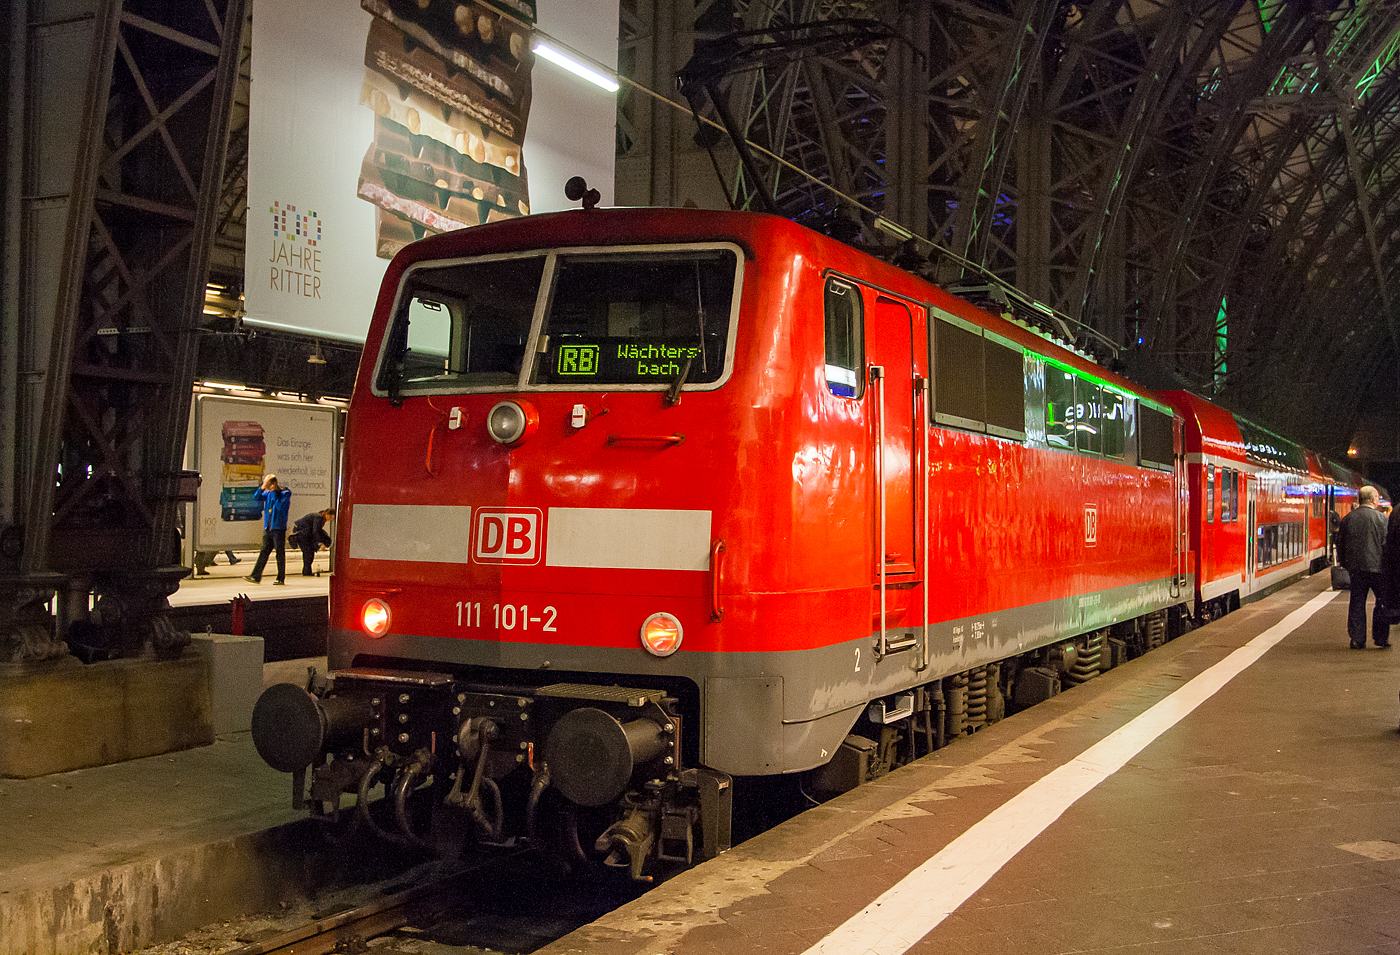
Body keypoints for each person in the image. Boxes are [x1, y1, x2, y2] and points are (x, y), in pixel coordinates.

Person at [1336, 485, 1390, 649]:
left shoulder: (1348, 519)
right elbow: (1387, 544)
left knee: (1357, 602)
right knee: (1381, 602)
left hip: (1356, 569)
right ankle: (1380, 638)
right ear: (1374, 499)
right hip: (1378, 568)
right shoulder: (1381, 519)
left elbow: (1340, 544)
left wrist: (1345, 563)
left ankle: (1357, 639)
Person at [246, 474, 292, 585]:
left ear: (274, 484)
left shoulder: (285, 493)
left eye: (268, 485)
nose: (267, 488)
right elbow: (256, 497)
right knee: (264, 552)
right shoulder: (268, 493)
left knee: (279, 553)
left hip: (278, 528)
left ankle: (280, 578)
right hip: (268, 528)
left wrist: (275, 492)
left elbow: (279, 507)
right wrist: (261, 488)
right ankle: (256, 576)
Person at [289, 508, 335, 577]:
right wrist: (320, 543)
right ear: (327, 514)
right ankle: (306, 571)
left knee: (310, 551)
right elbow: (316, 531)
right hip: (302, 533)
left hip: (306, 533)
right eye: (331, 517)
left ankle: (307, 571)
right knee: (308, 551)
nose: (330, 520)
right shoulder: (319, 518)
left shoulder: (320, 517)